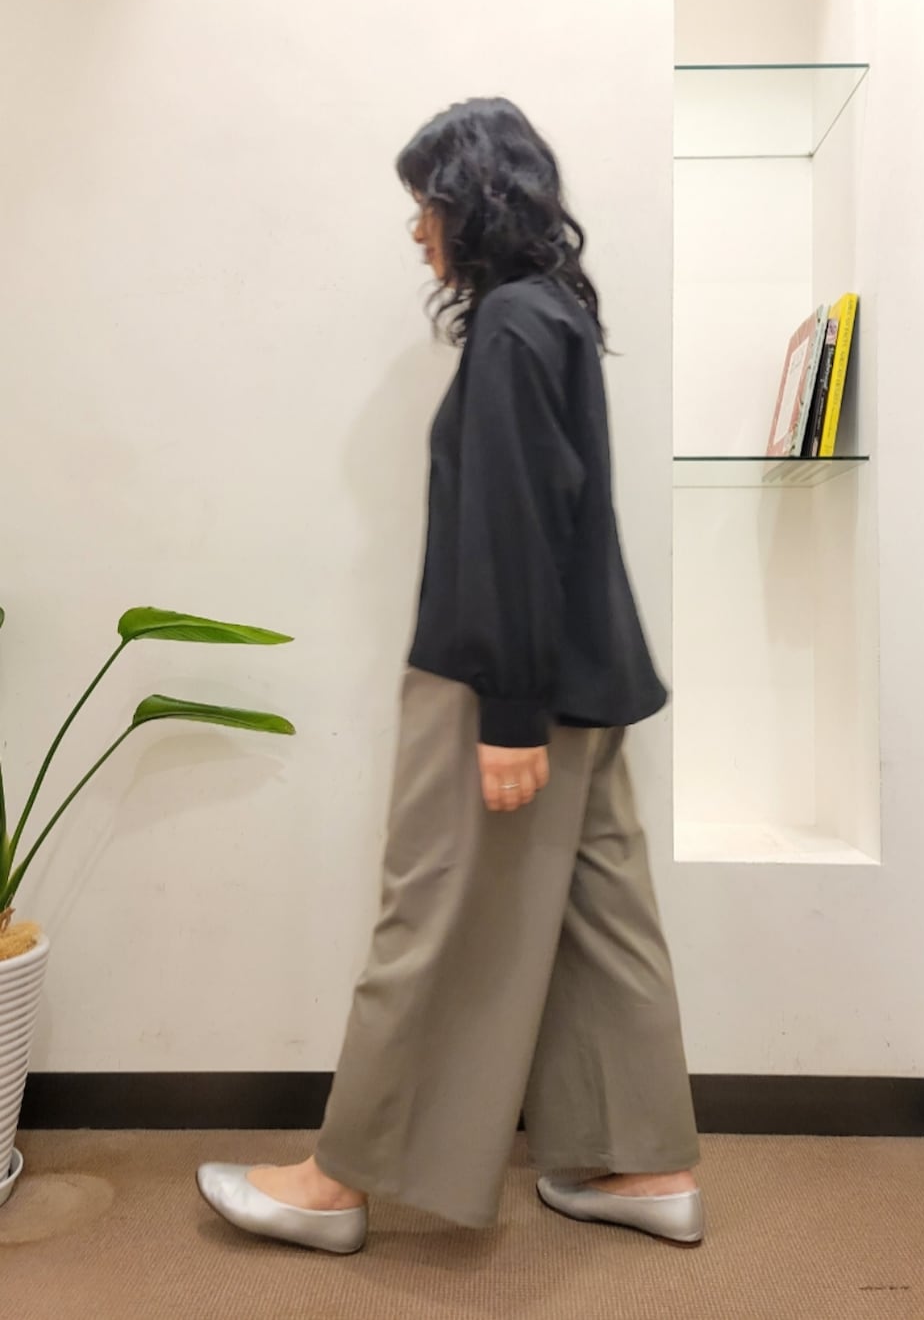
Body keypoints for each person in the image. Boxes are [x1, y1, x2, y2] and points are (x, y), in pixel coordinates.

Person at [198, 97, 703, 1254]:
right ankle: (647, 1165)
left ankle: (334, 1183)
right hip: (586, 679)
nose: (415, 230)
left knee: (426, 914)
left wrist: (507, 713)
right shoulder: (554, 314)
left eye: (423, 204)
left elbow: (514, 525)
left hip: (501, 682)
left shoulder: (513, 328)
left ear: (468, 203)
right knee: (602, 916)